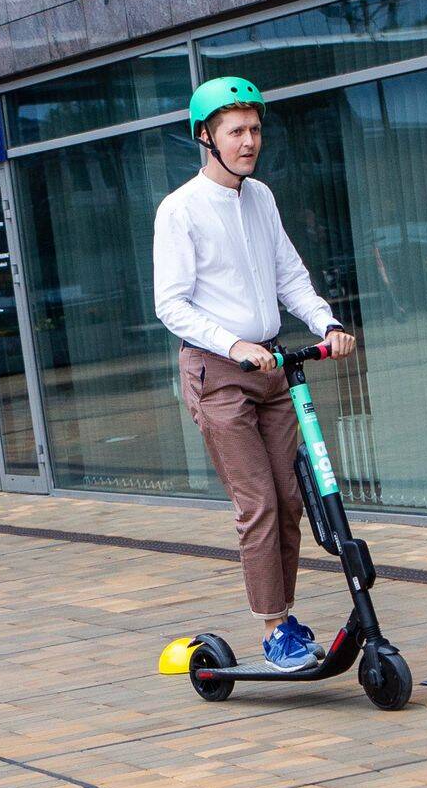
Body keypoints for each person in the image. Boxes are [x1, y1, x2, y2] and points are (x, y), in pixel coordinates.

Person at [152, 76, 359, 671]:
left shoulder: (261, 197)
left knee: (292, 497)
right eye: (236, 131)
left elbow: (289, 275)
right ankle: (272, 630)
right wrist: (233, 343)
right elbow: (172, 304)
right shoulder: (180, 210)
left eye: (255, 129)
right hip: (218, 372)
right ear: (206, 138)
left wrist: (326, 323)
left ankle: (284, 617)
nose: (249, 141)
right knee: (259, 503)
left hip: (271, 367)